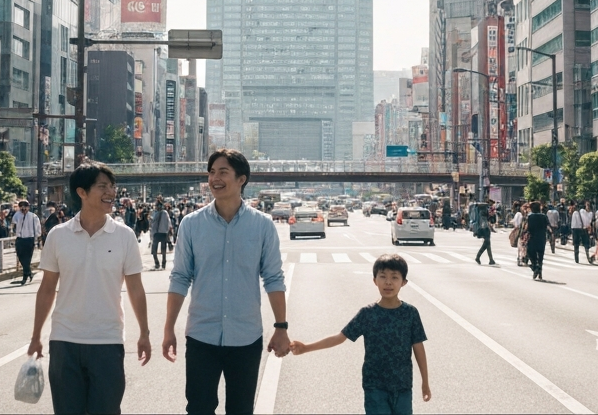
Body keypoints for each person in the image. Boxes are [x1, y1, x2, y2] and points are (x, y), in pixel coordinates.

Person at [164, 150, 288, 415]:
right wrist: (168, 328)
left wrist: (281, 327)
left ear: (241, 179)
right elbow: (180, 277)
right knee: (198, 407)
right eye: (211, 172)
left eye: (223, 172)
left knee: (241, 409)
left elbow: (274, 278)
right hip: (201, 335)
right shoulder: (191, 224)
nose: (215, 179)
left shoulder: (262, 226)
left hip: (246, 336)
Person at [29, 164, 150, 414]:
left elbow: (136, 288)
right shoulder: (58, 235)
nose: (111, 192)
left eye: (112, 186)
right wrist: (36, 335)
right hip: (65, 341)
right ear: (82, 192)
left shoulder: (124, 236)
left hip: (107, 340)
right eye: (102, 186)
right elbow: (47, 288)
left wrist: (145, 333)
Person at [289, 254, 430, 415]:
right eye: (383, 277)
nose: (388, 282)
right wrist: (306, 347)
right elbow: (340, 337)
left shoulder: (410, 313)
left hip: (403, 386)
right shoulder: (367, 314)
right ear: (374, 280)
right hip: (374, 387)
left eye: (394, 277)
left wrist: (425, 382)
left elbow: (418, 347)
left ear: (403, 282)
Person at [11, 199, 41, 285]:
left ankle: (25, 277)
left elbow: (37, 229)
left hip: (29, 239)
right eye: (22, 207)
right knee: (20, 256)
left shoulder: (33, 216)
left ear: (28, 207)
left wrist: (37, 238)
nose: (23, 209)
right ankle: (29, 273)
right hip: (20, 238)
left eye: (25, 207)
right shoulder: (17, 215)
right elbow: (13, 223)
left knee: (27, 258)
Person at [524, 202, 549, 281]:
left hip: (533, 237)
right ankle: (540, 273)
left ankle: (535, 267)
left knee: (530, 252)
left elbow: (527, 228)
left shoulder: (530, 216)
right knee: (540, 256)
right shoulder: (544, 216)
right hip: (542, 238)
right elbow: (547, 226)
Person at [470, 201, 495, 266]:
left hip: (484, 228)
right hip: (485, 229)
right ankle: (478, 257)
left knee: (487, 244)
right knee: (486, 243)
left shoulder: (482, 211)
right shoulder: (484, 211)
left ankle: (490, 259)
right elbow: (490, 220)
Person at [150, 201, 172, 271]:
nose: (156, 207)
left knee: (162, 250)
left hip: (160, 233)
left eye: (157, 206)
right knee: (156, 250)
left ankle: (161, 264)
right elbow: (169, 223)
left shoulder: (163, 213)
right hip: (159, 233)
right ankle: (159, 264)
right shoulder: (156, 213)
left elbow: (168, 223)